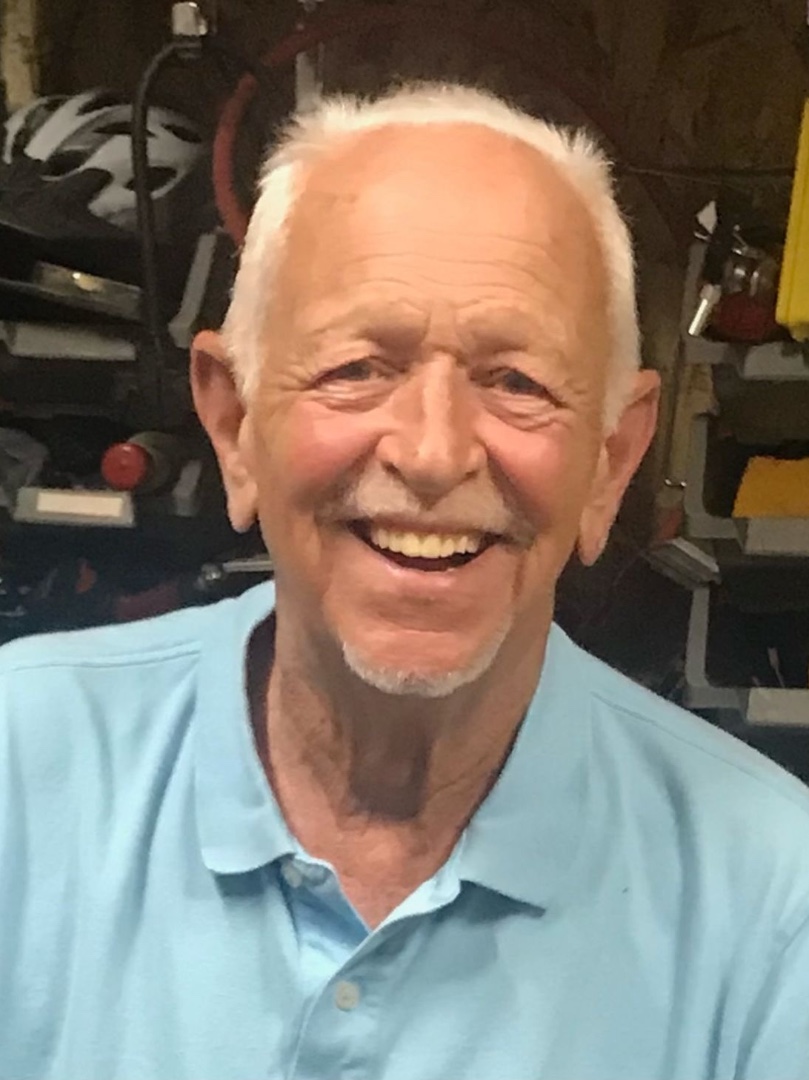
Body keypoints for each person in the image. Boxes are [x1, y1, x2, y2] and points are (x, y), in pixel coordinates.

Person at [1, 83, 808, 1080]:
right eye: (356, 368)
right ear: (235, 426)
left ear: (610, 461)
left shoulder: (772, 903)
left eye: (516, 382)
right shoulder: (19, 773)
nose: (431, 453)